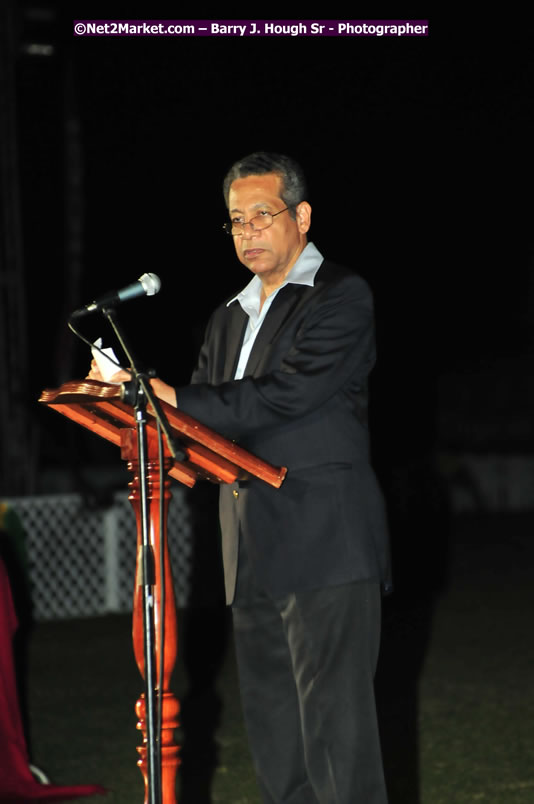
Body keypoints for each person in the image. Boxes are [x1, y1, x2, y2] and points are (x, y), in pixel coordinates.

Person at [90, 151, 391, 803]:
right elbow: (204, 421)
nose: (249, 231)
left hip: (325, 542)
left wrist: (173, 399)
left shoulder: (341, 295)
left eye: (263, 214)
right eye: (235, 221)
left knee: (339, 743)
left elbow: (286, 396)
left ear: (302, 216)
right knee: (279, 746)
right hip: (248, 547)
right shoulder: (227, 314)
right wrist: (126, 401)